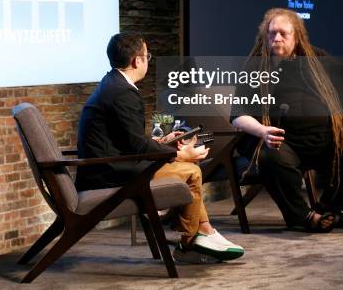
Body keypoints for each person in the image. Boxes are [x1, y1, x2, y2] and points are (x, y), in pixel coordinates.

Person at [77, 32, 244, 263]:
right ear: (137, 60)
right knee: (192, 171)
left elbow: (128, 140)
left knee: (185, 167)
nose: (148, 61)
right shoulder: (124, 92)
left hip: (111, 165)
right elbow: (135, 146)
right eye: (147, 56)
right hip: (111, 175)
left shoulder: (111, 84)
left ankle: (201, 232)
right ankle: (192, 240)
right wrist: (178, 153)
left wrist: (162, 143)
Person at [232, 8, 343, 232]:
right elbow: (237, 115)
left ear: (296, 36)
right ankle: (303, 217)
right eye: (271, 33)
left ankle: (333, 210)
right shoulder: (255, 65)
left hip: (323, 141)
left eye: (282, 33)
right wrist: (262, 131)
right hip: (283, 143)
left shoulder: (317, 58)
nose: (276, 38)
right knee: (270, 156)